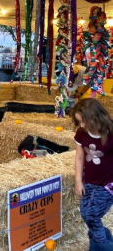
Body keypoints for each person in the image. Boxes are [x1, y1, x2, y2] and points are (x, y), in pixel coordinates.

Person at [72, 98, 113, 250]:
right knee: (85, 213)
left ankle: (102, 247)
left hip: (108, 184)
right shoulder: (82, 133)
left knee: (92, 215)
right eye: (79, 122)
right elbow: (79, 157)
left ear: (96, 117)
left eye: (84, 121)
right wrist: (78, 181)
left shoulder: (111, 133)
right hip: (89, 181)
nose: (81, 125)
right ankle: (103, 237)